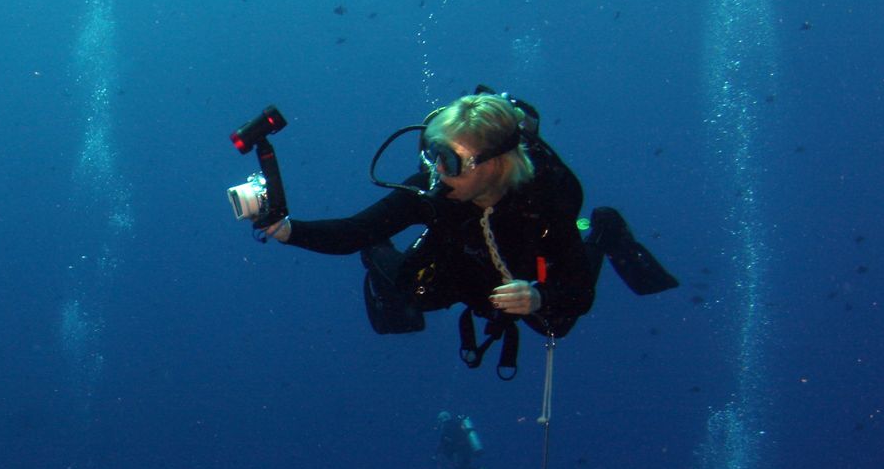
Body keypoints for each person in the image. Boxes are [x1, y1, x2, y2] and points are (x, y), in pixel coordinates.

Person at [253, 89, 675, 374]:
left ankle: (604, 231)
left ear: (494, 164)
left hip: (523, 267)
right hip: (464, 257)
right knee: (411, 291)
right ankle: (386, 257)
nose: (436, 170)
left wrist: (539, 295)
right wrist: (288, 230)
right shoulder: (434, 189)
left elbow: (580, 291)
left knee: (553, 324)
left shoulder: (543, 202)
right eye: (434, 154)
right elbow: (352, 232)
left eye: (450, 162)